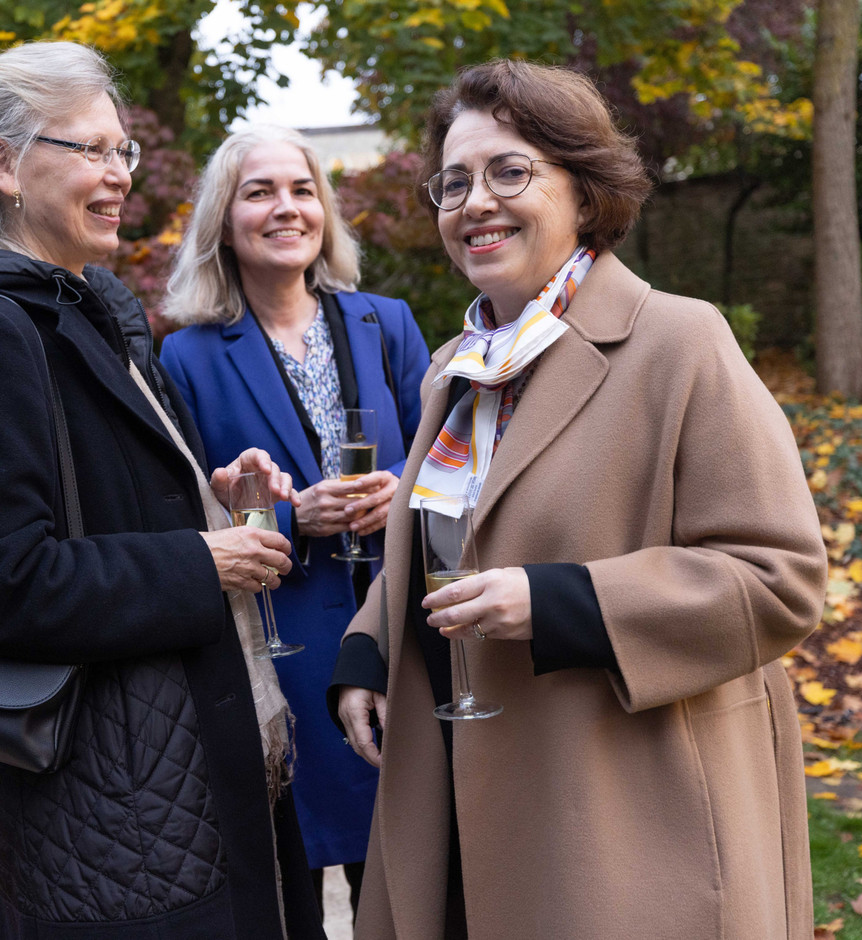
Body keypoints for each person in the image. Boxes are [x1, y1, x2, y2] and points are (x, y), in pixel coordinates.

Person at [330, 60, 828, 939]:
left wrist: (564, 601)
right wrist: (369, 651)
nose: (474, 202)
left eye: (509, 171)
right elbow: (440, 544)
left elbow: (778, 578)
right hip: (450, 800)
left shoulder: (679, 340)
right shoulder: (458, 365)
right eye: (452, 182)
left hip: (624, 821)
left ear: (586, 189)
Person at [0, 42, 325, 939]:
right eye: (91, 150)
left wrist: (219, 495)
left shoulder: (94, 313)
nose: (118, 175)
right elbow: (0, 581)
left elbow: (114, 509)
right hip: (111, 820)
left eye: (122, 152)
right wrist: (198, 559)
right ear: (4, 165)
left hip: (182, 775)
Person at [159, 125, 430, 916]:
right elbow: (190, 510)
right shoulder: (189, 356)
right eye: (260, 191)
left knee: (407, 888)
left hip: (394, 637)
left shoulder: (388, 323)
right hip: (283, 652)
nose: (287, 208)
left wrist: (400, 492)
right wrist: (290, 512)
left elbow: (444, 467)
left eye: (302, 189)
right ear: (224, 218)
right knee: (290, 894)